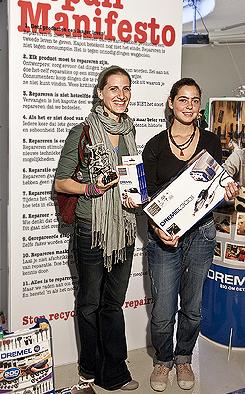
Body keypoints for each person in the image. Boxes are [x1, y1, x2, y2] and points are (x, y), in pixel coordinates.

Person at [142, 77, 238, 392]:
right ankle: (163, 359)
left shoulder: (211, 141)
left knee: (193, 307)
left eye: (195, 100)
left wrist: (229, 190)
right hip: (165, 239)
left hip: (202, 234)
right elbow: (150, 198)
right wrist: (157, 228)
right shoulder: (154, 146)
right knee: (163, 309)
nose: (189, 106)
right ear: (171, 103)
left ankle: (183, 357)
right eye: (183, 99)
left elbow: (215, 185)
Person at [55, 66, 139, 391]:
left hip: (124, 229)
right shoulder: (83, 132)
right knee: (89, 304)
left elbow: (132, 180)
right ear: (100, 93)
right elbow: (61, 182)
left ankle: (114, 373)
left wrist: (136, 199)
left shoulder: (131, 132)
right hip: (92, 229)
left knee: (113, 304)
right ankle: (87, 375)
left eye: (126, 88)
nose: (120, 95)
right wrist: (90, 189)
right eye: (113, 88)